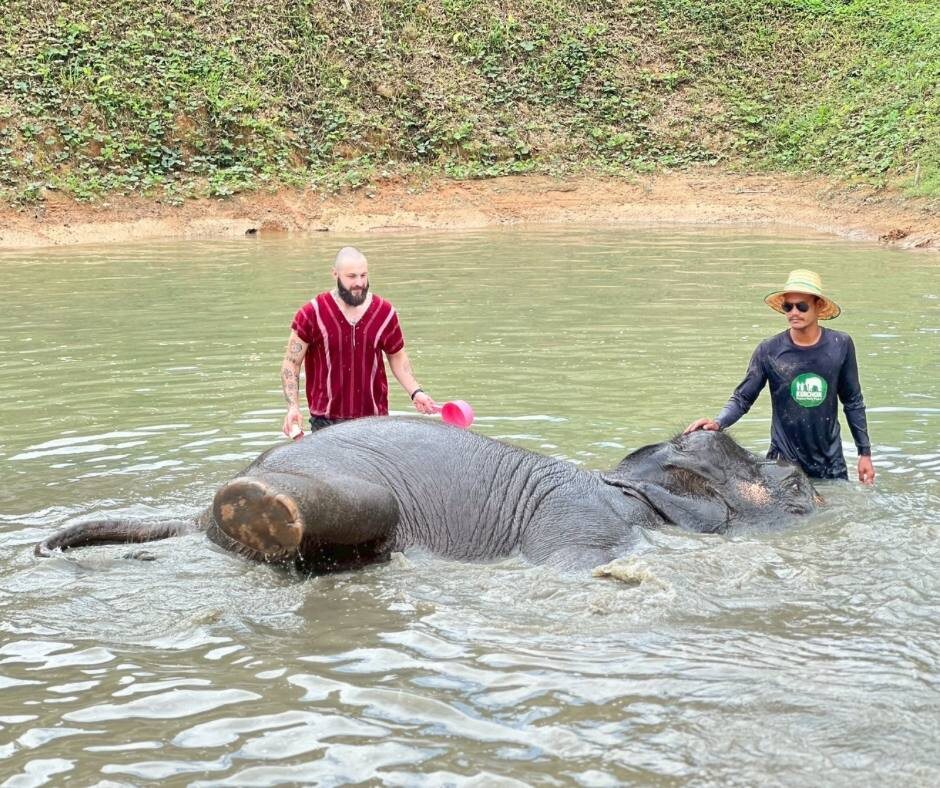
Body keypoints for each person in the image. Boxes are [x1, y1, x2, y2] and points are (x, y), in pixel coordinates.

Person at [684, 269, 875, 484]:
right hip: (782, 465)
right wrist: (718, 423)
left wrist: (864, 453)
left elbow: (853, 401)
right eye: (788, 306)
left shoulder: (841, 345)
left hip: (831, 464)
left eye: (802, 306)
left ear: (818, 306)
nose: (794, 312)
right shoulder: (769, 350)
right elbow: (742, 398)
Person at [280, 246, 435, 437]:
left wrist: (416, 392)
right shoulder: (312, 313)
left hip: (374, 420)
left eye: (363, 275)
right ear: (335, 274)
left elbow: (397, 357)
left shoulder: (385, 313)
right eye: (351, 276)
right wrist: (293, 407)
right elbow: (291, 363)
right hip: (327, 422)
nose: (359, 283)